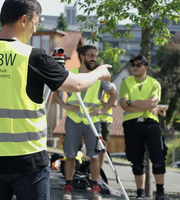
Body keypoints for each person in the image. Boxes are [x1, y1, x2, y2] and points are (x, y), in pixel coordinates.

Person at [0, 1, 111, 200]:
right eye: (35, 25)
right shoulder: (32, 56)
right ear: (24, 20)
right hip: (27, 162)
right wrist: (99, 72)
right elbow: (77, 85)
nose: (34, 31)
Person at [53, 45, 118, 200]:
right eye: (90, 55)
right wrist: (64, 105)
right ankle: (68, 187)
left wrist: (103, 110)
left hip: (93, 121)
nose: (94, 59)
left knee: (94, 156)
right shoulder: (70, 74)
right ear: (81, 56)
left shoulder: (98, 76)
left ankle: (95, 188)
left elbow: (114, 95)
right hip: (74, 120)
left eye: (95, 56)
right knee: (70, 155)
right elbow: (55, 93)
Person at [119, 55, 167, 200]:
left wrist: (131, 102)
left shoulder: (154, 83)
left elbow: (152, 103)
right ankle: (140, 194)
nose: (135, 67)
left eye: (139, 65)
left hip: (151, 123)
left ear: (146, 67)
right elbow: (122, 104)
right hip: (131, 124)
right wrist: (143, 106)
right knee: (137, 161)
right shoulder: (125, 82)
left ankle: (160, 192)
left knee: (158, 158)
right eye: (133, 64)